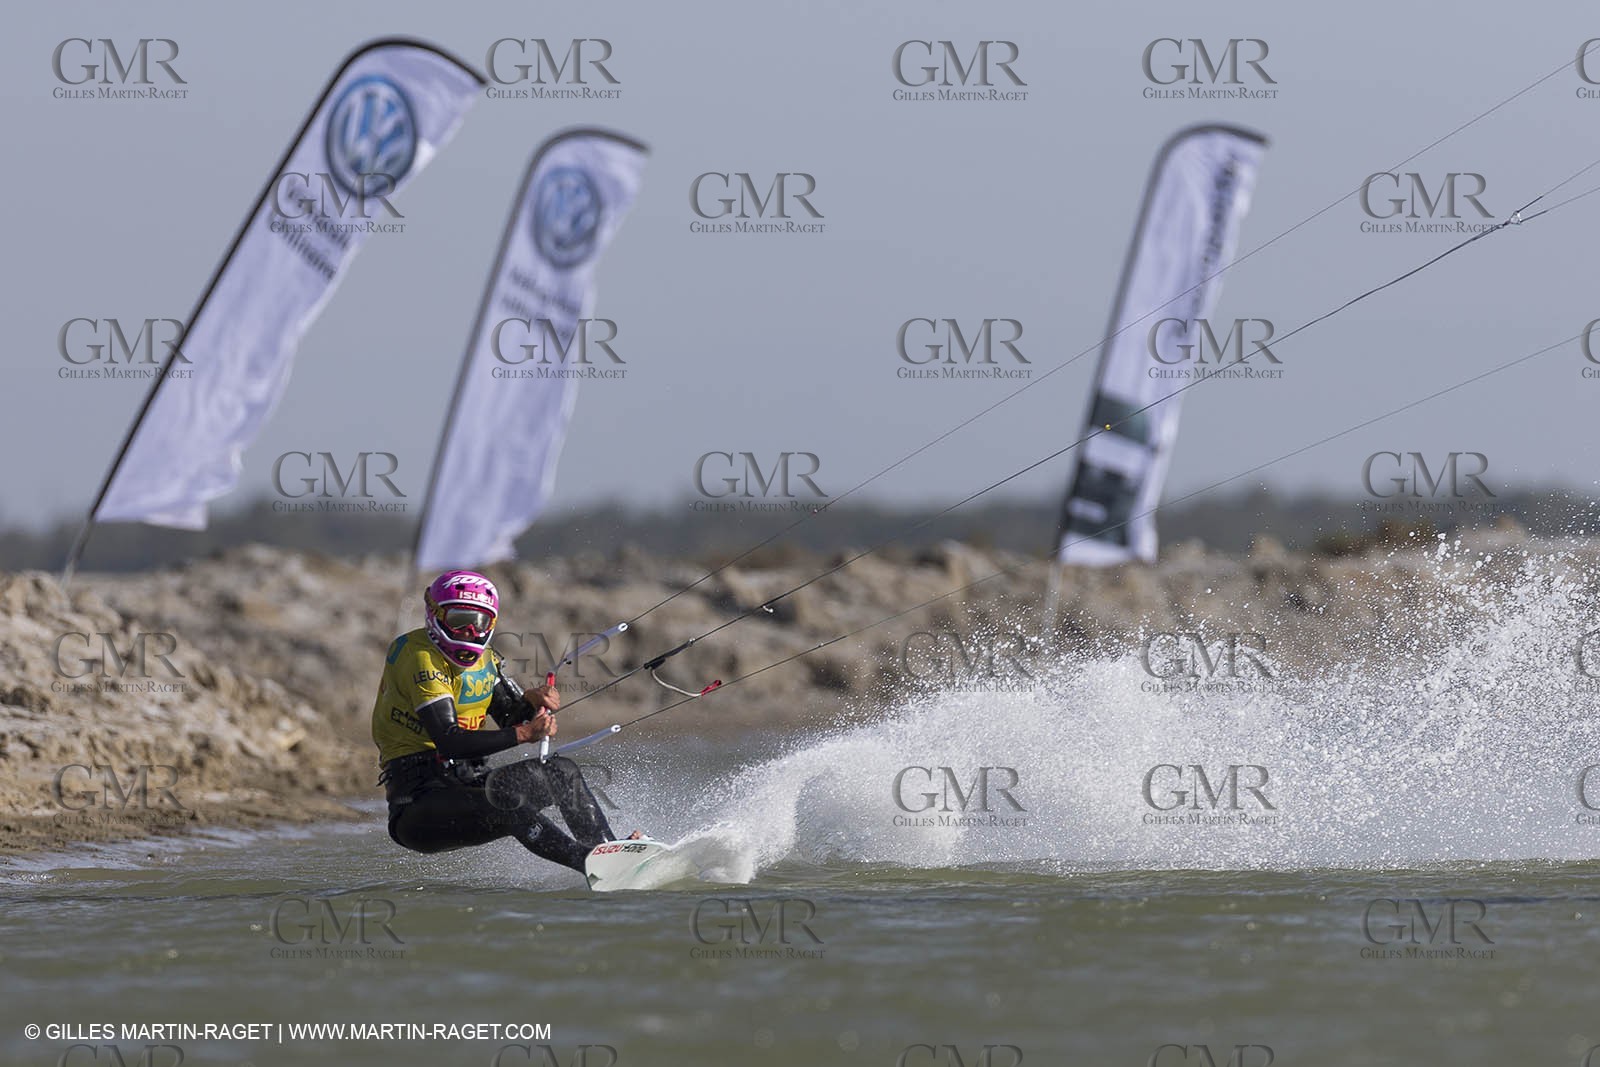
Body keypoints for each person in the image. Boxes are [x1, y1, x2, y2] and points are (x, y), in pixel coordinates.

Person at [371, 570, 638, 873]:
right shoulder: (418, 655)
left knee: (561, 771)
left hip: (470, 782)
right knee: (507, 802)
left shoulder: (487, 660)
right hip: (419, 805)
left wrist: (533, 703)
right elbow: (450, 740)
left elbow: (510, 717)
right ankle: (589, 864)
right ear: (435, 615)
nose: (470, 631)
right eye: (459, 621)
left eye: (480, 622)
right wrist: (525, 732)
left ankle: (609, 852)